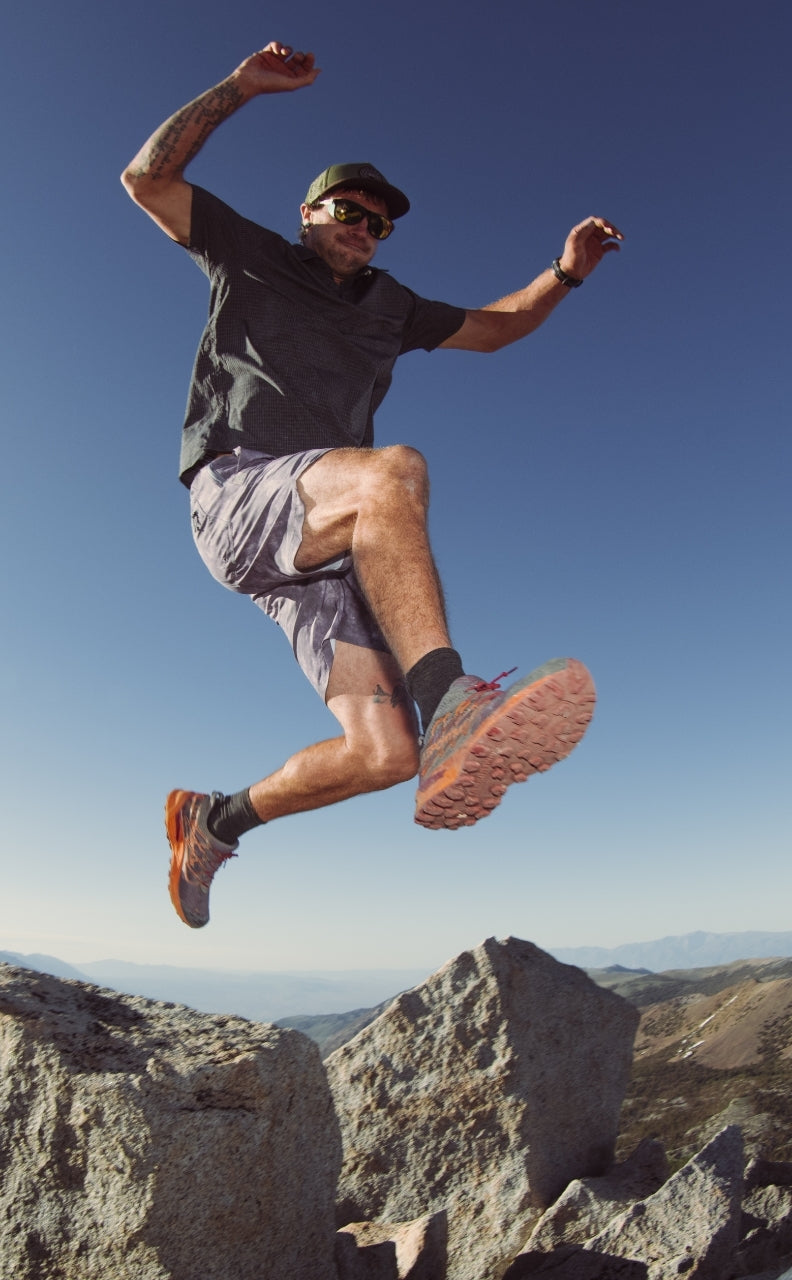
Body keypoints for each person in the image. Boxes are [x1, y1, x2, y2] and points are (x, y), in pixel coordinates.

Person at [120, 41, 623, 929]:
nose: (361, 227)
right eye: (347, 211)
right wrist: (240, 87)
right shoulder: (252, 254)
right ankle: (451, 702)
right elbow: (147, 180)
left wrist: (567, 273)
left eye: (377, 223)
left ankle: (213, 822)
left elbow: (497, 328)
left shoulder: (391, 305)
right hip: (240, 494)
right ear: (310, 213)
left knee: (385, 755)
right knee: (394, 473)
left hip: (323, 547)